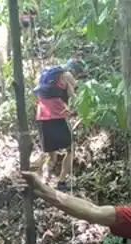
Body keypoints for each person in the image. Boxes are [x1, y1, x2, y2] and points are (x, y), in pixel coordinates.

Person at [33, 58, 86, 190]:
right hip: (58, 117)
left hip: (42, 117)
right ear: (75, 70)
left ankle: (44, 182)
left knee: (51, 156)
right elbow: (74, 97)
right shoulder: (67, 75)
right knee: (70, 149)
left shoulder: (42, 76)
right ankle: (61, 182)